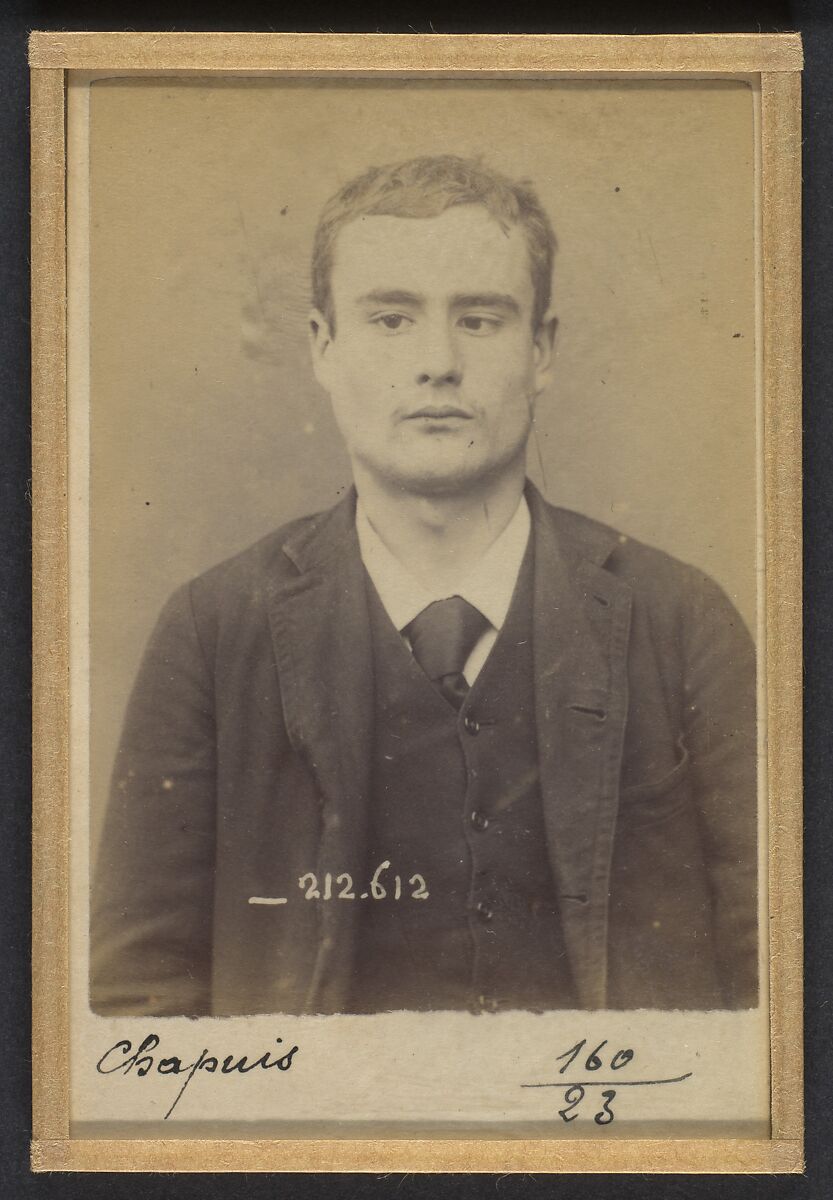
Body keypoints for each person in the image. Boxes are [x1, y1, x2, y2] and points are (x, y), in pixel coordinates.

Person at [91, 155, 758, 1017]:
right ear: (322, 348)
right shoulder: (213, 630)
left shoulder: (681, 623)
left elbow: (784, 980)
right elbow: (136, 997)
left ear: (541, 350)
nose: (438, 362)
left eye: (480, 320)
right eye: (391, 320)